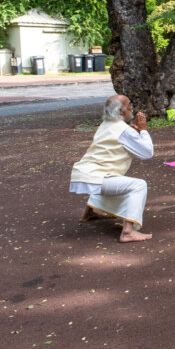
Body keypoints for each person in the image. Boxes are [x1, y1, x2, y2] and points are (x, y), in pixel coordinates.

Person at [70, 95, 154, 243]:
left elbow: (120, 138)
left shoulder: (106, 124)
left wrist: (134, 133)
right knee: (138, 185)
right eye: (129, 105)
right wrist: (143, 131)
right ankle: (127, 232)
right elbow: (147, 153)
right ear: (121, 111)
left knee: (111, 178)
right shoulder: (124, 130)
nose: (131, 108)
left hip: (82, 173)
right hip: (94, 176)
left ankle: (89, 212)